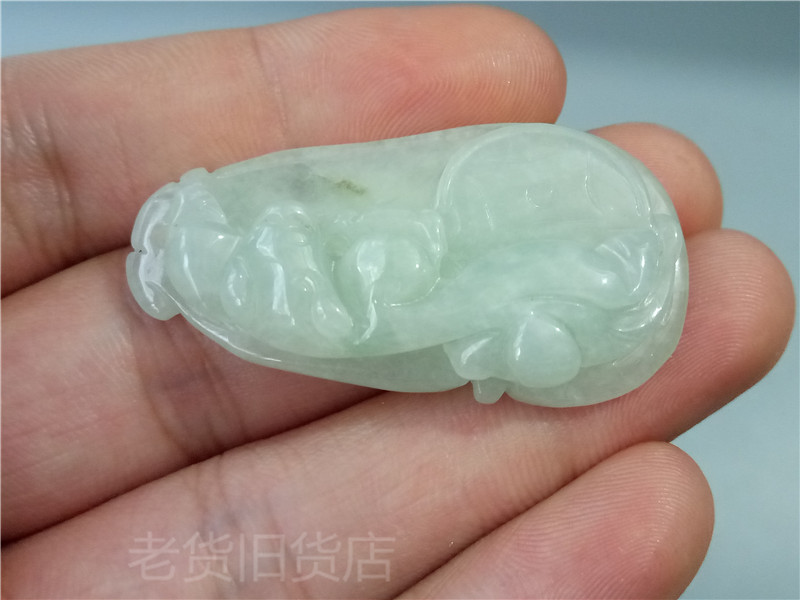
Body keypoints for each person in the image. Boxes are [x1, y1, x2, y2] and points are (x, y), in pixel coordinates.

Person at [1, 5, 794, 598]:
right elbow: (382, 280)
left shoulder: (460, 308)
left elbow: (383, 318)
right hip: (352, 261)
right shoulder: (444, 267)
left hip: (356, 277)